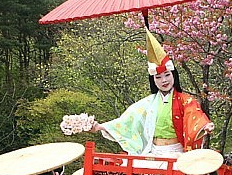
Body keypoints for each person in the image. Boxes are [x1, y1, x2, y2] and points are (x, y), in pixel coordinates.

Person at [92, 29, 214, 157]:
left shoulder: (186, 100)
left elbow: (195, 116)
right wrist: (101, 127)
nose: (164, 80)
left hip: (176, 153)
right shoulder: (148, 103)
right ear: (153, 80)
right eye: (158, 77)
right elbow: (127, 121)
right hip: (153, 150)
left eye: (167, 75)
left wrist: (204, 126)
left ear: (174, 75)